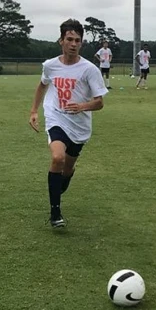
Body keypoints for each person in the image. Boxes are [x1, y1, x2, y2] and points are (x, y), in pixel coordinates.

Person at [29, 19, 109, 228]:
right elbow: (42, 85)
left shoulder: (89, 69)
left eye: (78, 40)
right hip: (56, 118)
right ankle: (55, 213)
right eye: (69, 39)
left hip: (80, 127)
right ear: (61, 41)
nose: (73, 44)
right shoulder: (50, 65)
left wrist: (82, 106)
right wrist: (34, 111)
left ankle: (63, 181)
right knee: (57, 157)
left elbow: (100, 103)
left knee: (66, 169)